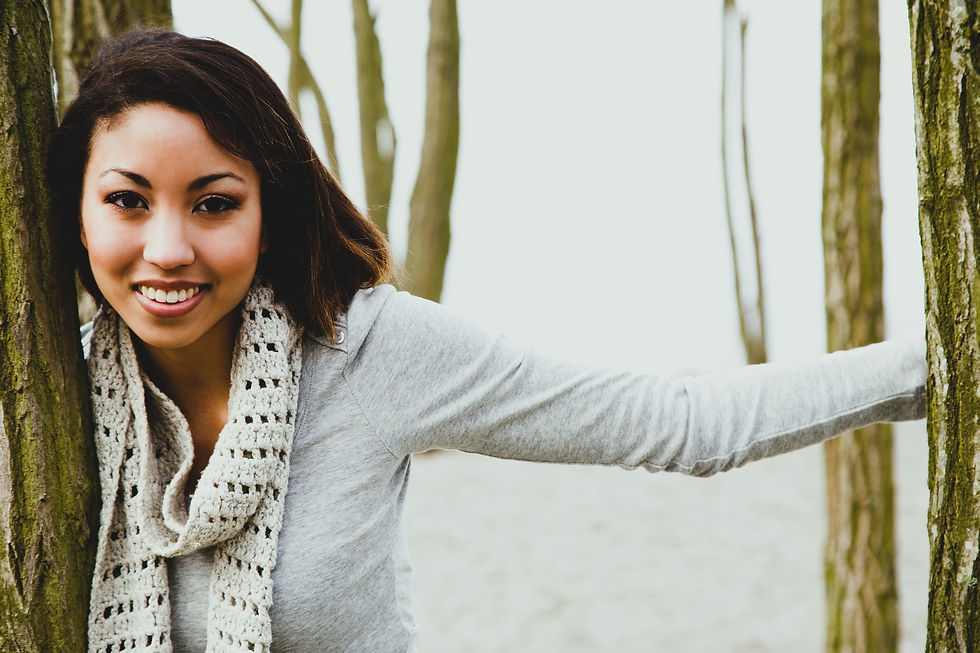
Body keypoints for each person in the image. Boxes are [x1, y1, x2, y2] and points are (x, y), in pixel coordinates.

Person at [48, 29, 926, 653]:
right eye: (128, 200)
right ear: (79, 216)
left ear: (269, 215)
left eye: (214, 203)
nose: (169, 248)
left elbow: (681, 423)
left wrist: (937, 361)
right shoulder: (59, 393)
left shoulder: (369, 351)